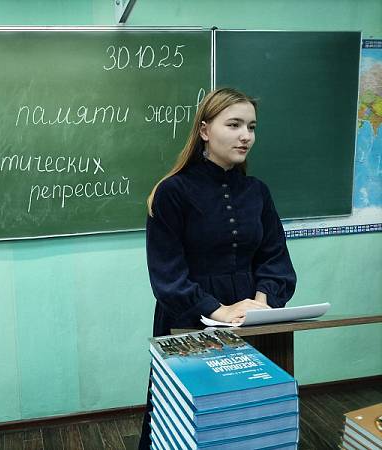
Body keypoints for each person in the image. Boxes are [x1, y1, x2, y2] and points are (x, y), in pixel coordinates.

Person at [137, 87, 297, 449]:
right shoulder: (172, 191)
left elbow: (274, 258)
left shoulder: (257, 191)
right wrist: (220, 311)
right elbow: (167, 276)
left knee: (248, 421)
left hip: (253, 322)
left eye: (251, 127)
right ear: (205, 130)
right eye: (234, 124)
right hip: (190, 319)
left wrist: (260, 306)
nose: (246, 136)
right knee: (187, 422)